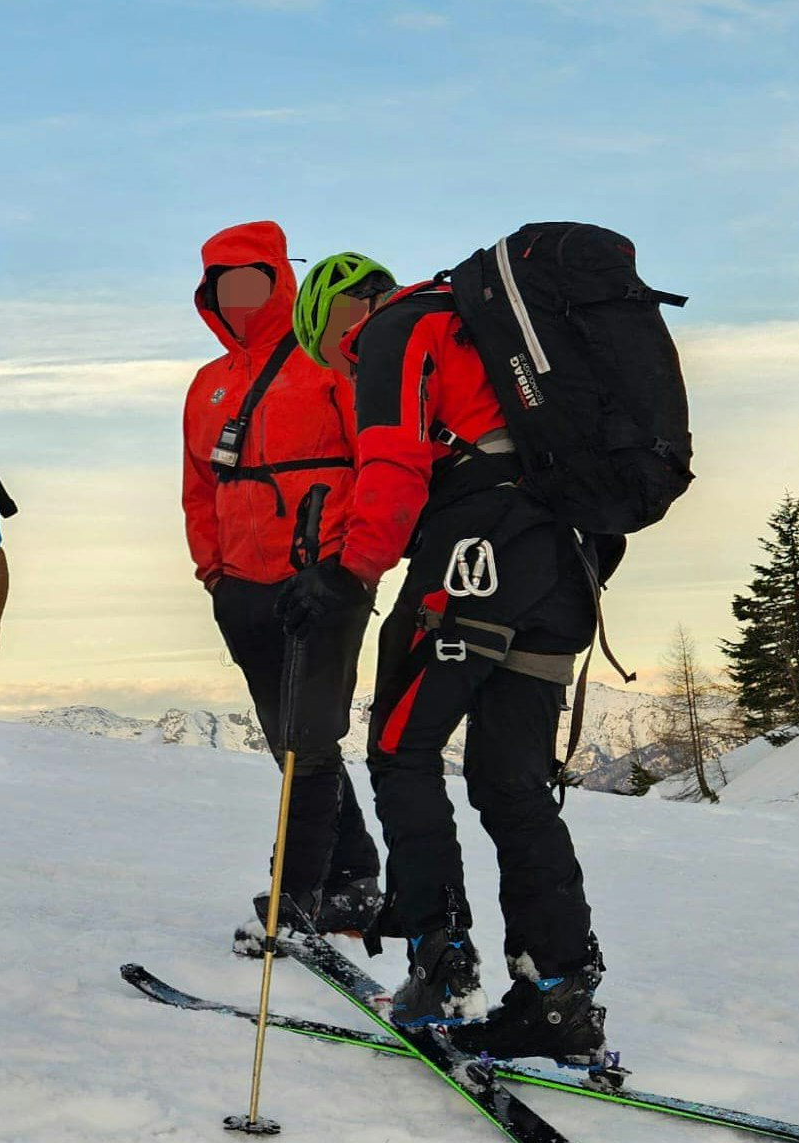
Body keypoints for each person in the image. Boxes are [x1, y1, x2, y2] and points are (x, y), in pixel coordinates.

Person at [279, 253, 611, 1065]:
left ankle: (441, 960)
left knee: (400, 748)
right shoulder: (476, 330)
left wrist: (348, 570)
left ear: (337, 316)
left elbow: (392, 463)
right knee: (511, 782)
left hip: (476, 547)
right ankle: (556, 994)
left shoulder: (392, 333)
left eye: (326, 350)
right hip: (564, 560)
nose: (335, 367)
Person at [181, 222, 383, 937]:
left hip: (323, 580)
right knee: (286, 739)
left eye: (251, 281)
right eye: (222, 285)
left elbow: (374, 463)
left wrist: (345, 563)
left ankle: (293, 900)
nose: (237, 298)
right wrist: (213, 572)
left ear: (279, 282)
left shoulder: (331, 360)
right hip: (241, 588)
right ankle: (353, 877)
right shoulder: (207, 384)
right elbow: (199, 487)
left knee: (309, 738)